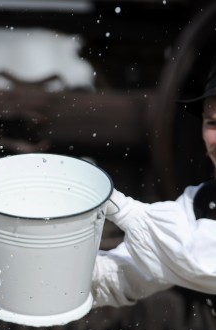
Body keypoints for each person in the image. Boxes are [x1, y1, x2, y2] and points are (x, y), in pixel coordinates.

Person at [91, 65, 216, 312]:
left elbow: (201, 261)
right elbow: (128, 273)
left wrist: (125, 211)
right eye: (212, 123)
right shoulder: (199, 202)